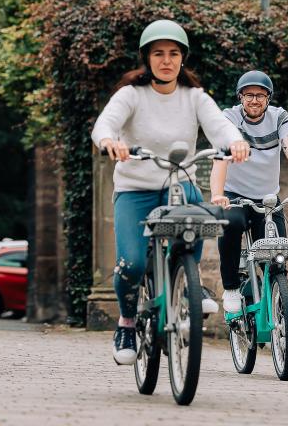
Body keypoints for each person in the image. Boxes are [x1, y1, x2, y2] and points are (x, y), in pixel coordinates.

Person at [91, 20, 249, 365]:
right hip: (135, 190)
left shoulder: (194, 97)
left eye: (173, 53)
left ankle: (190, 283)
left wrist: (235, 142)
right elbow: (105, 123)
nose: (166, 60)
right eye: (158, 53)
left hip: (180, 185)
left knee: (200, 219)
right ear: (146, 58)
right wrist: (109, 141)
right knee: (131, 264)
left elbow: (220, 126)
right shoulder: (132, 94)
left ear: (183, 58)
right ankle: (127, 322)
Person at [210, 70, 288, 313]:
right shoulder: (228, 117)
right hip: (234, 195)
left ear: (268, 98)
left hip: (268, 200)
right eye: (248, 94)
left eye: (260, 95)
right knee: (230, 224)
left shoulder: (280, 117)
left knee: (278, 255)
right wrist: (218, 194)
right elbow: (220, 158)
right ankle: (230, 287)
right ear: (240, 97)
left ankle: (282, 324)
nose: (254, 100)